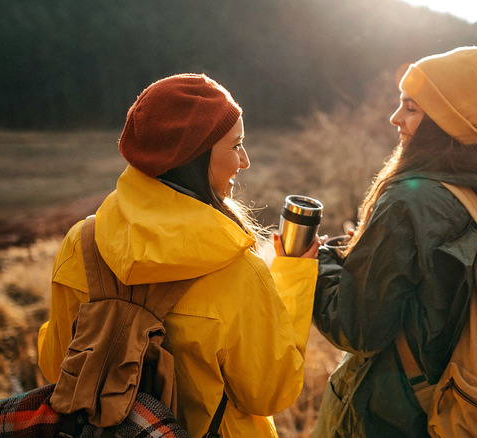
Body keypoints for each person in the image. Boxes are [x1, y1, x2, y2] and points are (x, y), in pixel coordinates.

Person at [37, 73, 320, 437]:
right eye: (236, 146)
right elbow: (270, 392)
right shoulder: (238, 272)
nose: (245, 161)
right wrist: (294, 277)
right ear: (194, 159)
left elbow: (55, 363)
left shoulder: (80, 243)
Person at [311, 46, 477, 437]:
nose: (396, 118)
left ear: (443, 119)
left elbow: (358, 327)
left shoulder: (407, 200)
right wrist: (372, 256)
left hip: (391, 414)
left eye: (411, 108)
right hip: (467, 410)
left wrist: (318, 261)